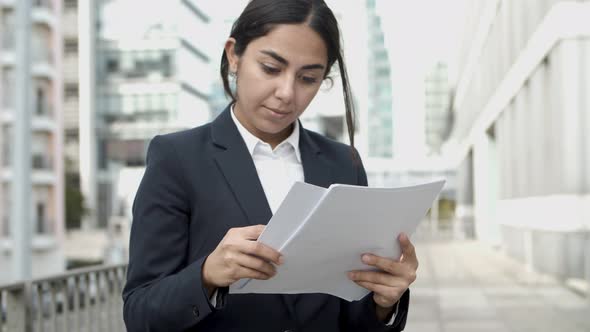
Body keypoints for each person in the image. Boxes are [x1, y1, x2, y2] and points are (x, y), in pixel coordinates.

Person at [122, 0, 418, 331]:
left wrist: (383, 302)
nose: (286, 93)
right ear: (234, 55)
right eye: (271, 68)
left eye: (308, 78)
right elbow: (140, 312)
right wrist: (206, 275)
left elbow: (351, 317)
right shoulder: (177, 159)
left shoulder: (343, 162)